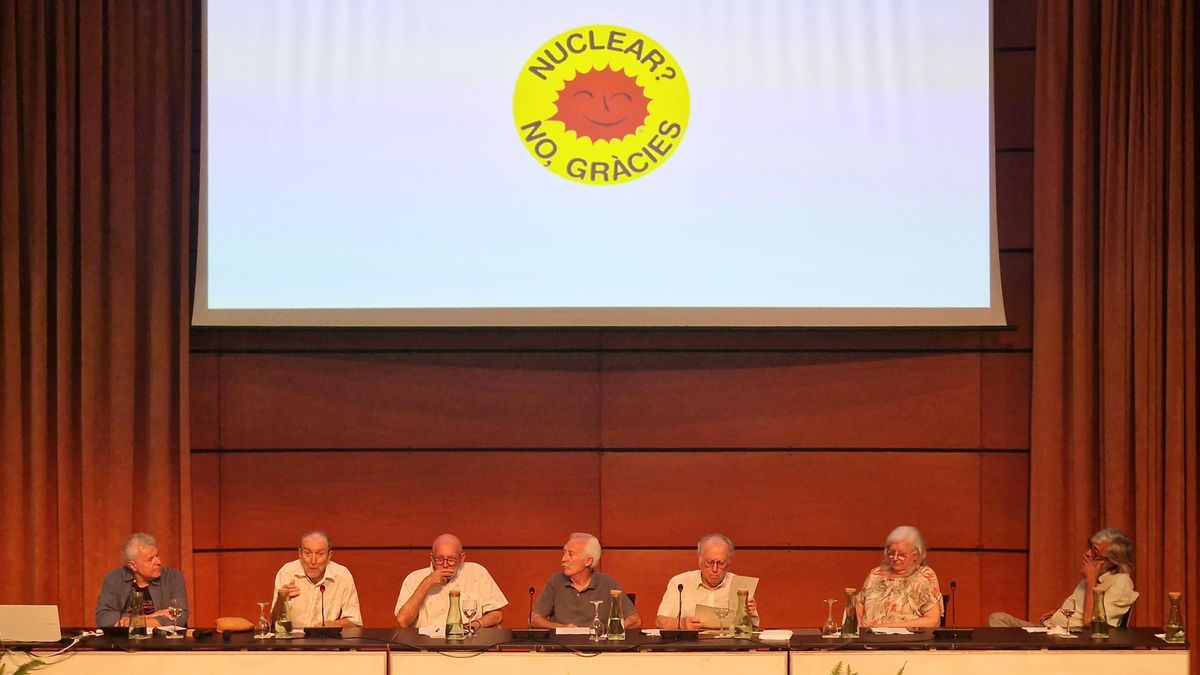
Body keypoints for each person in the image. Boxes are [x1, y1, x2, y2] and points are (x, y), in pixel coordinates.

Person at [989, 527, 1138, 629]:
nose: (1087, 554)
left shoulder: (1121, 582)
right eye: (1090, 547)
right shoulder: (1095, 575)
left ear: (1113, 561)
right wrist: (1059, 613)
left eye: (1094, 552)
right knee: (998, 618)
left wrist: (1091, 580)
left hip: (1068, 640)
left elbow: (1093, 624)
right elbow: (1079, 610)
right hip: (1052, 630)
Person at [395, 534, 507, 630]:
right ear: (432, 558)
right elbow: (403, 622)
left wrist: (475, 625)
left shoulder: (477, 572)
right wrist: (427, 583)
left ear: (462, 558)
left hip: (470, 641)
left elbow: (497, 615)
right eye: (439, 559)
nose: (445, 565)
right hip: (426, 644)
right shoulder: (413, 578)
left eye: (451, 560)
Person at [531, 532, 641, 629]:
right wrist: (560, 628)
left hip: (598, 644)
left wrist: (610, 631)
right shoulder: (556, 581)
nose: (563, 559)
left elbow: (635, 620)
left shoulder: (608, 583)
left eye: (570, 554)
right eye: (564, 553)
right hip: (562, 644)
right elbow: (534, 619)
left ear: (588, 561)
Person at [655, 533, 760, 628]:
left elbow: (754, 628)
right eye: (709, 562)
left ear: (728, 563)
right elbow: (660, 621)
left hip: (728, 642)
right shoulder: (680, 583)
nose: (714, 569)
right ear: (700, 560)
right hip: (690, 642)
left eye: (721, 563)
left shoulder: (739, 586)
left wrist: (747, 614)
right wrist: (682, 624)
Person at [94, 533, 189, 628]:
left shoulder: (172, 577)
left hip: (162, 637)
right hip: (126, 637)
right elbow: (104, 618)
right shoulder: (115, 579)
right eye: (150, 559)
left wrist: (132, 621)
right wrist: (151, 617)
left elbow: (179, 617)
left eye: (157, 556)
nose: (158, 562)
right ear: (133, 566)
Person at [856, 525, 943, 628]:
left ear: (915, 555)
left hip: (905, 637)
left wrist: (889, 627)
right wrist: (858, 629)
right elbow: (858, 608)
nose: (895, 558)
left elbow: (932, 620)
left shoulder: (924, 576)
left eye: (902, 555)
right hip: (868, 636)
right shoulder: (876, 574)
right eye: (891, 553)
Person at [272, 530, 362, 627]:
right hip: (292, 635)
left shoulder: (342, 576)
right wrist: (281, 600)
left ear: (329, 556)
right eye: (307, 553)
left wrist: (331, 626)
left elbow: (354, 622)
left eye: (320, 554)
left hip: (326, 636)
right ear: (300, 554)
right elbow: (274, 622)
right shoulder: (287, 572)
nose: (313, 561)